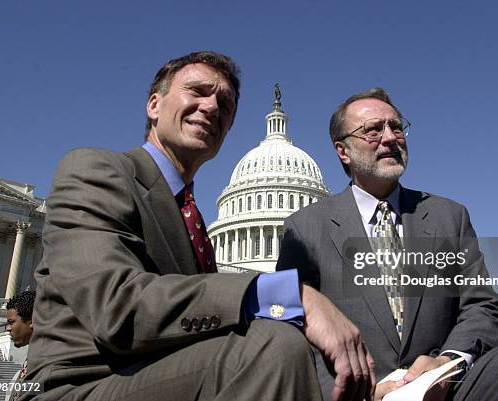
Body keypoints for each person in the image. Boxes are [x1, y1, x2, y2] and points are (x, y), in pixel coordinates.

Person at [23, 51, 374, 401]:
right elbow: (118, 306)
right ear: (154, 105)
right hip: (81, 386)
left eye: (224, 104)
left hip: (162, 374)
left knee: (280, 338)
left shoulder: (188, 217)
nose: (211, 107)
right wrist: (287, 293)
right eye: (197, 91)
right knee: (274, 343)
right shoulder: (95, 171)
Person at [277, 87, 498, 401]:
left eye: (396, 126)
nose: (390, 138)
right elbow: (289, 332)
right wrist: (354, 392)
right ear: (343, 151)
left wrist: (447, 364)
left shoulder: (449, 216)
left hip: (448, 387)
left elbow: (481, 305)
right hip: (359, 392)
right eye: (373, 130)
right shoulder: (305, 228)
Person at [5, 290, 36, 401]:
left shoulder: (47, 363)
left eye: (11, 322)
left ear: (32, 321)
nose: (8, 328)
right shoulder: (30, 361)